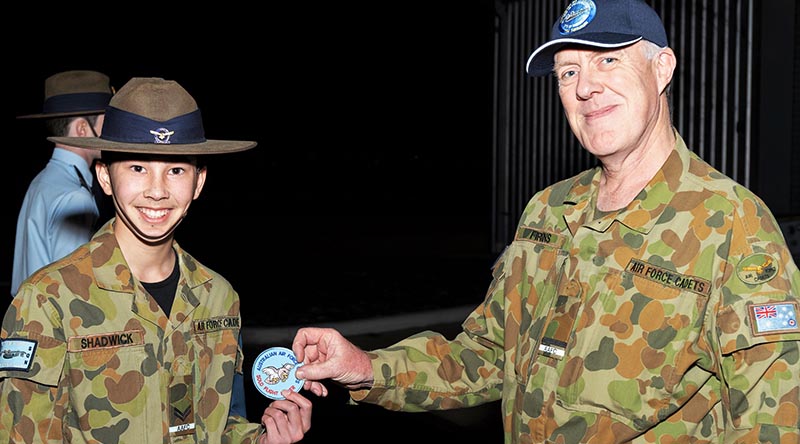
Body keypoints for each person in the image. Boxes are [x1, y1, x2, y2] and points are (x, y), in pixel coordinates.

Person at [291, 0, 800, 442]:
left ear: (662, 68)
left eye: (608, 60)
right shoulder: (547, 211)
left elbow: (772, 419)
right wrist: (363, 367)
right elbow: (487, 356)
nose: (586, 88)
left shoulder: (731, 222)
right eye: (568, 72)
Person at [0, 77, 311, 443]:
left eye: (176, 169)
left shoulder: (219, 297)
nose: (158, 191)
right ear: (104, 176)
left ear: (198, 182)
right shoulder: (47, 301)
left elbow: (219, 422)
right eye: (137, 168)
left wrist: (261, 439)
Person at [12, 70, 115, 298]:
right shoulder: (74, 196)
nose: (112, 133)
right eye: (106, 123)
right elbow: (74, 291)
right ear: (81, 129)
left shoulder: (42, 181)